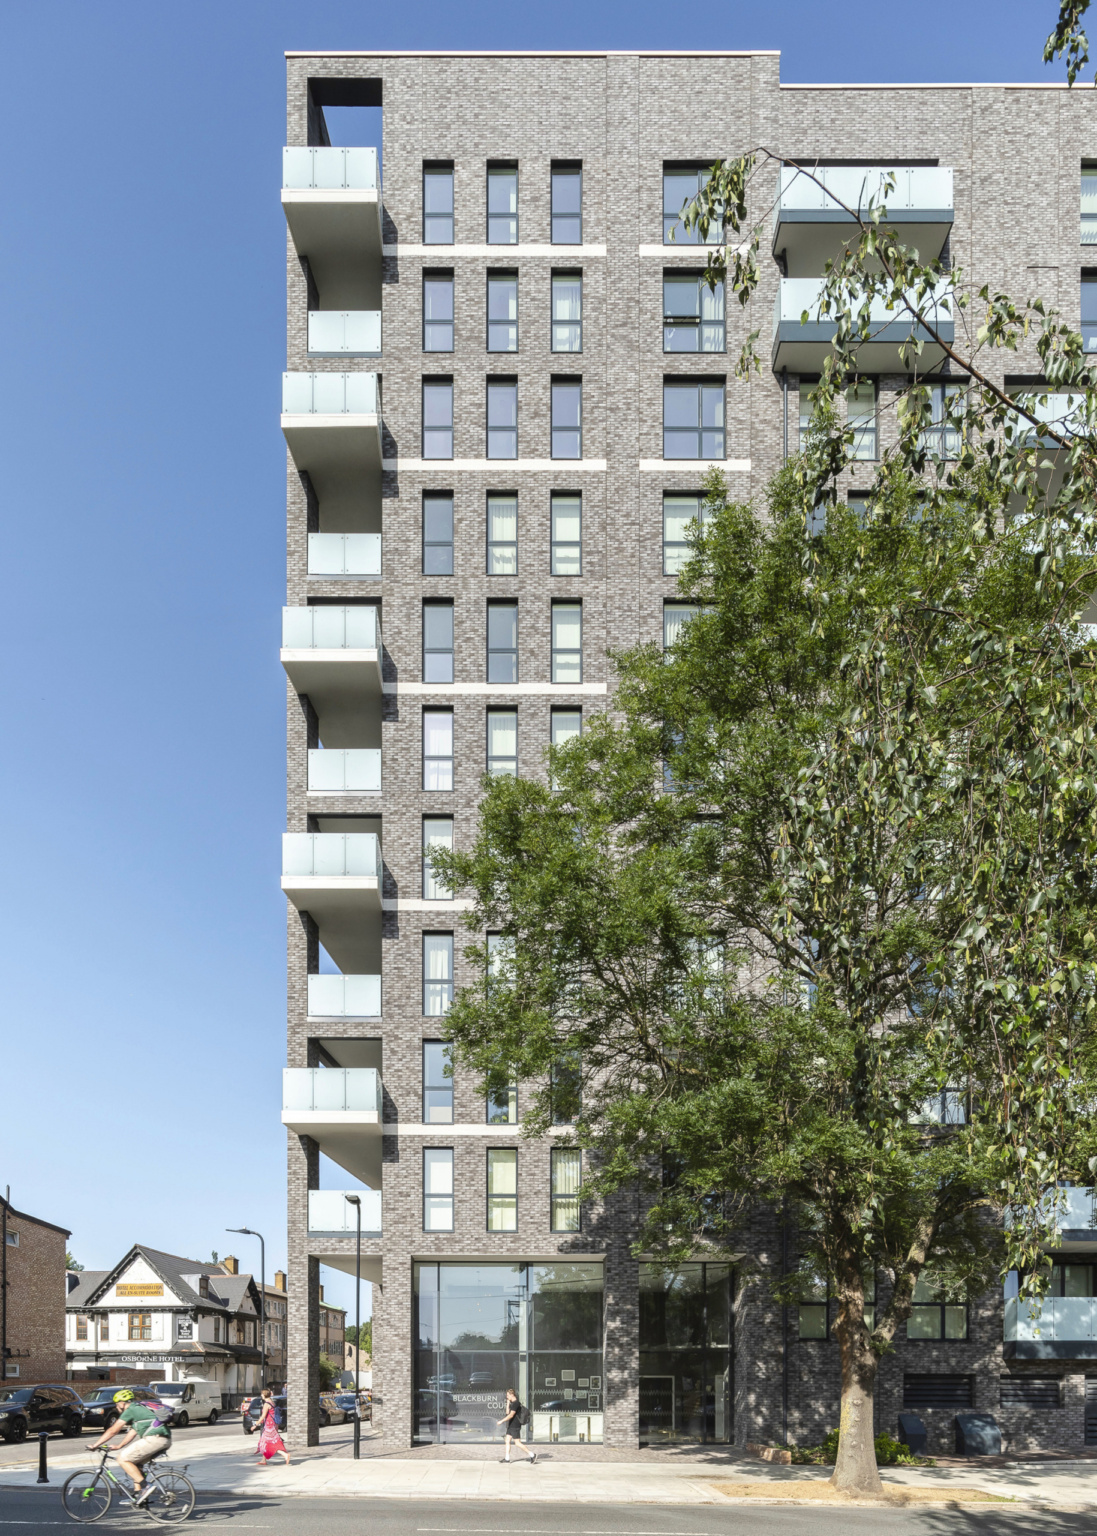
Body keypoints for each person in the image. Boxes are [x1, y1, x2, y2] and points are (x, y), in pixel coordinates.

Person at [89, 1388, 170, 1505]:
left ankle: (145, 1486)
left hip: (155, 1438)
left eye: (117, 1404)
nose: (117, 1407)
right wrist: (119, 1445)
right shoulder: (139, 1409)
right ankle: (139, 1496)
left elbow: (113, 1430)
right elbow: (133, 1431)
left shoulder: (131, 1409)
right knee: (135, 1463)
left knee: (122, 1459)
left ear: (122, 1403)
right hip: (164, 1439)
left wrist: (95, 1445)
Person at [496, 1387, 536, 1463]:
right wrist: (508, 1403)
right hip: (511, 1425)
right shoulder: (512, 1403)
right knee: (507, 1440)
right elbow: (507, 1412)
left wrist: (501, 1421)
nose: (507, 1397)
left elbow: (511, 1415)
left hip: (515, 1426)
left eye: (507, 1395)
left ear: (512, 1395)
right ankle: (507, 1458)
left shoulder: (516, 1403)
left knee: (517, 1443)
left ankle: (532, 1455)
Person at [254, 1388, 291, 1466]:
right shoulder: (272, 1402)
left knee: (270, 1443)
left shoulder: (266, 1404)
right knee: (265, 1442)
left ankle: (285, 1455)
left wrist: (255, 1425)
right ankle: (263, 1460)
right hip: (273, 1424)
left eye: (262, 1394)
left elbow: (263, 1416)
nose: (261, 1395)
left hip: (269, 1426)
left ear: (264, 1395)